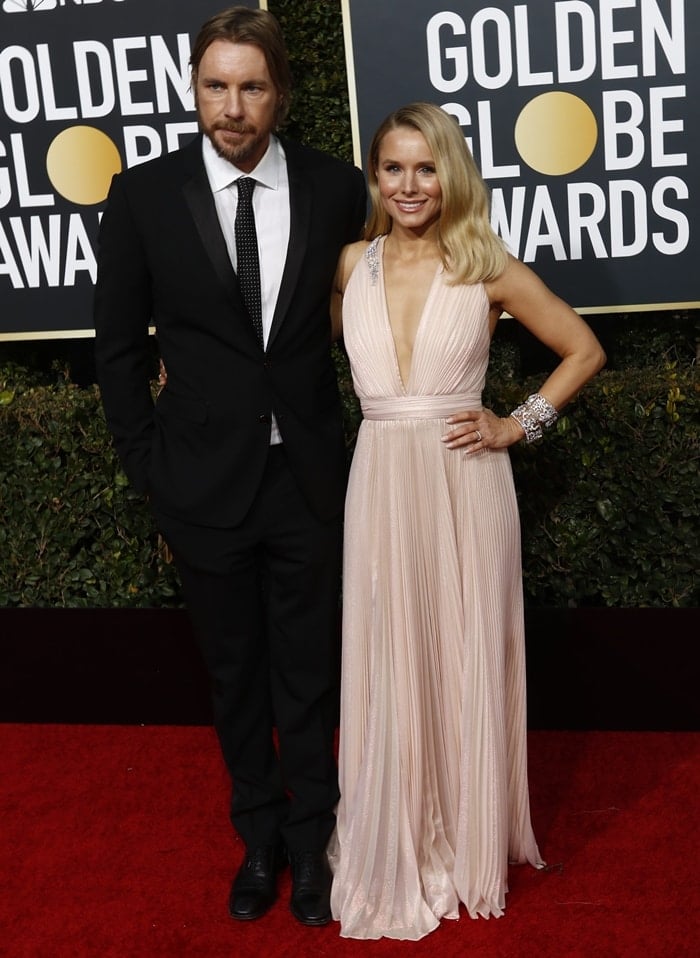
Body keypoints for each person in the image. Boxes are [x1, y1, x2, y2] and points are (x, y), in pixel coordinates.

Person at [93, 6, 366, 928]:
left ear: (281, 91)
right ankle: (258, 837)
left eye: (252, 86)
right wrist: (151, 473)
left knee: (311, 673)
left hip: (310, 483)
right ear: (194, 88)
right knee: (236, 672)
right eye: (216, 85)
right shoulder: (143, 195)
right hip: (200, 486)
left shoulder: (335, 188)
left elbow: (389, 289)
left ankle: (314, 844)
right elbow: (120, 351)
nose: (233, 106)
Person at [328, 102, 606, 940]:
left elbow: (584, 349)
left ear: (451, 173)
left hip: (464, 482)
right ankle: (400, 829)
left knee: (461, 652)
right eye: (393, 169)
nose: (410, 185)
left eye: (426, 167)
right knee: (389, 655)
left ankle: (464, 834)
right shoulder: (350, 264)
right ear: (375, 178)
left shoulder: (487, 266)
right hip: (379, 480)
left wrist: (516, 425)